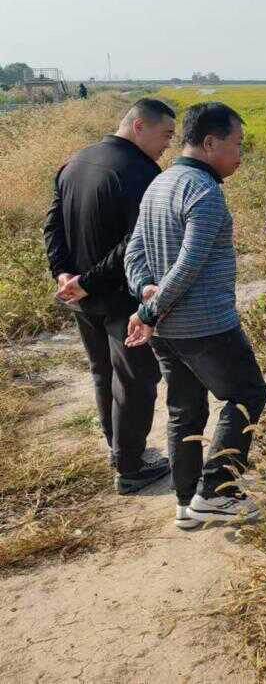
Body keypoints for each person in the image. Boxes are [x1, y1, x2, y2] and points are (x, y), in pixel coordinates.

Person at [123, 101, 266, 529]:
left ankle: (187, 503)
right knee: (248, 395)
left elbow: (133, 251)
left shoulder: (160, 183)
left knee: (185, 409)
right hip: (204, 326)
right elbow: (190, 264)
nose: (240, 154)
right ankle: (218, 493)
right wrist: (148, 308)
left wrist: (143, 289)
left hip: (167, 331)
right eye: (237, 144)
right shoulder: (204, 192)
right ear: (209, 143)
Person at [43, 98, 177, 493]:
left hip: (83, 299)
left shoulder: (77, 161)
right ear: (139, 126)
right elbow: (134, 244)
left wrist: (65, 274)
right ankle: (131, 467)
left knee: (103, 371)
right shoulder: (139, 172)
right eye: (165, 134)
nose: (168, 144)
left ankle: (118, 449)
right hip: (120, 297)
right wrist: (86, 280)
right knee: (136, 378)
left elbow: (52, 226)